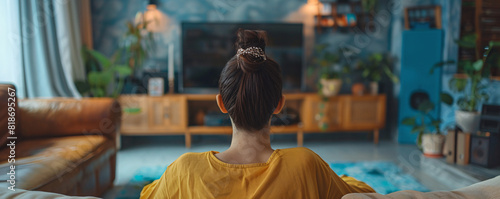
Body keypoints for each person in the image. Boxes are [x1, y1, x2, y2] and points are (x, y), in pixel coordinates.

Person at [140, 29, 375, 199]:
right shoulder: (307, 165)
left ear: (221, 104)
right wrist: (342, 178)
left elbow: (148, 195)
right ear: (279, 104)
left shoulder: (184, 170)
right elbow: (360, 195)